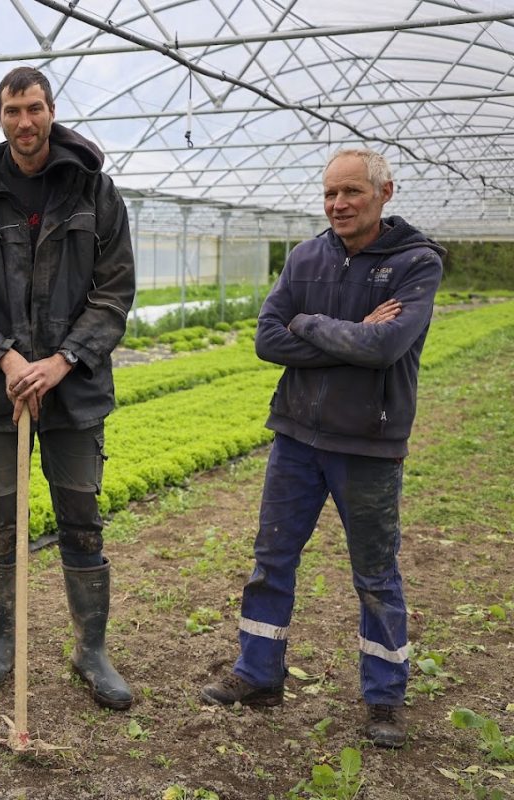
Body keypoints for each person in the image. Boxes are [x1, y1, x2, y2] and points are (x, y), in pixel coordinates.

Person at [199, 147, 444, 748]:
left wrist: (307, 325)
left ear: (385, 193)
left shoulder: (416, 262)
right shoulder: (307, 256)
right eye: (330, 193)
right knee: (271, 560)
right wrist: (347, 333)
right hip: (296, 437)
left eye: (352, 192)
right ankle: (258, 674)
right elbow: (266, 338)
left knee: (375, 574)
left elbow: (385, 348)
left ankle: (384, 699)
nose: (338, 204)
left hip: (368, 443)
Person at [0, 67, 137, 709]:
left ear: (52, 112)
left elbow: (113, 293)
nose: (25, 122)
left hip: (74, 396)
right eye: (13, 110)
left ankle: (91, 648)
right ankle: (0, 637)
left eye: (35, 109)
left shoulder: (95, 195)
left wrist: (63, 360)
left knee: (81, 519)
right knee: (1, 520)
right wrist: (7, 361)